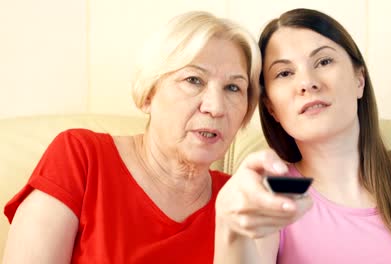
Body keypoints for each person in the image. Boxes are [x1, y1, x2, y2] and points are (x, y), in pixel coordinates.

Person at [3, 11, 261, 263]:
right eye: (194, 80)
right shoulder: (81, 157)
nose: (216, 107)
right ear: (149, 94)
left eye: (233, 88)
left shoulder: (241, 199)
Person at [214, 8, 391, 263]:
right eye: (284, 73)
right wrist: (230, 228)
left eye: (323, 61)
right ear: (271, 108)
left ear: (359, 80)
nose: (307, 82)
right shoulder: (269, 196)